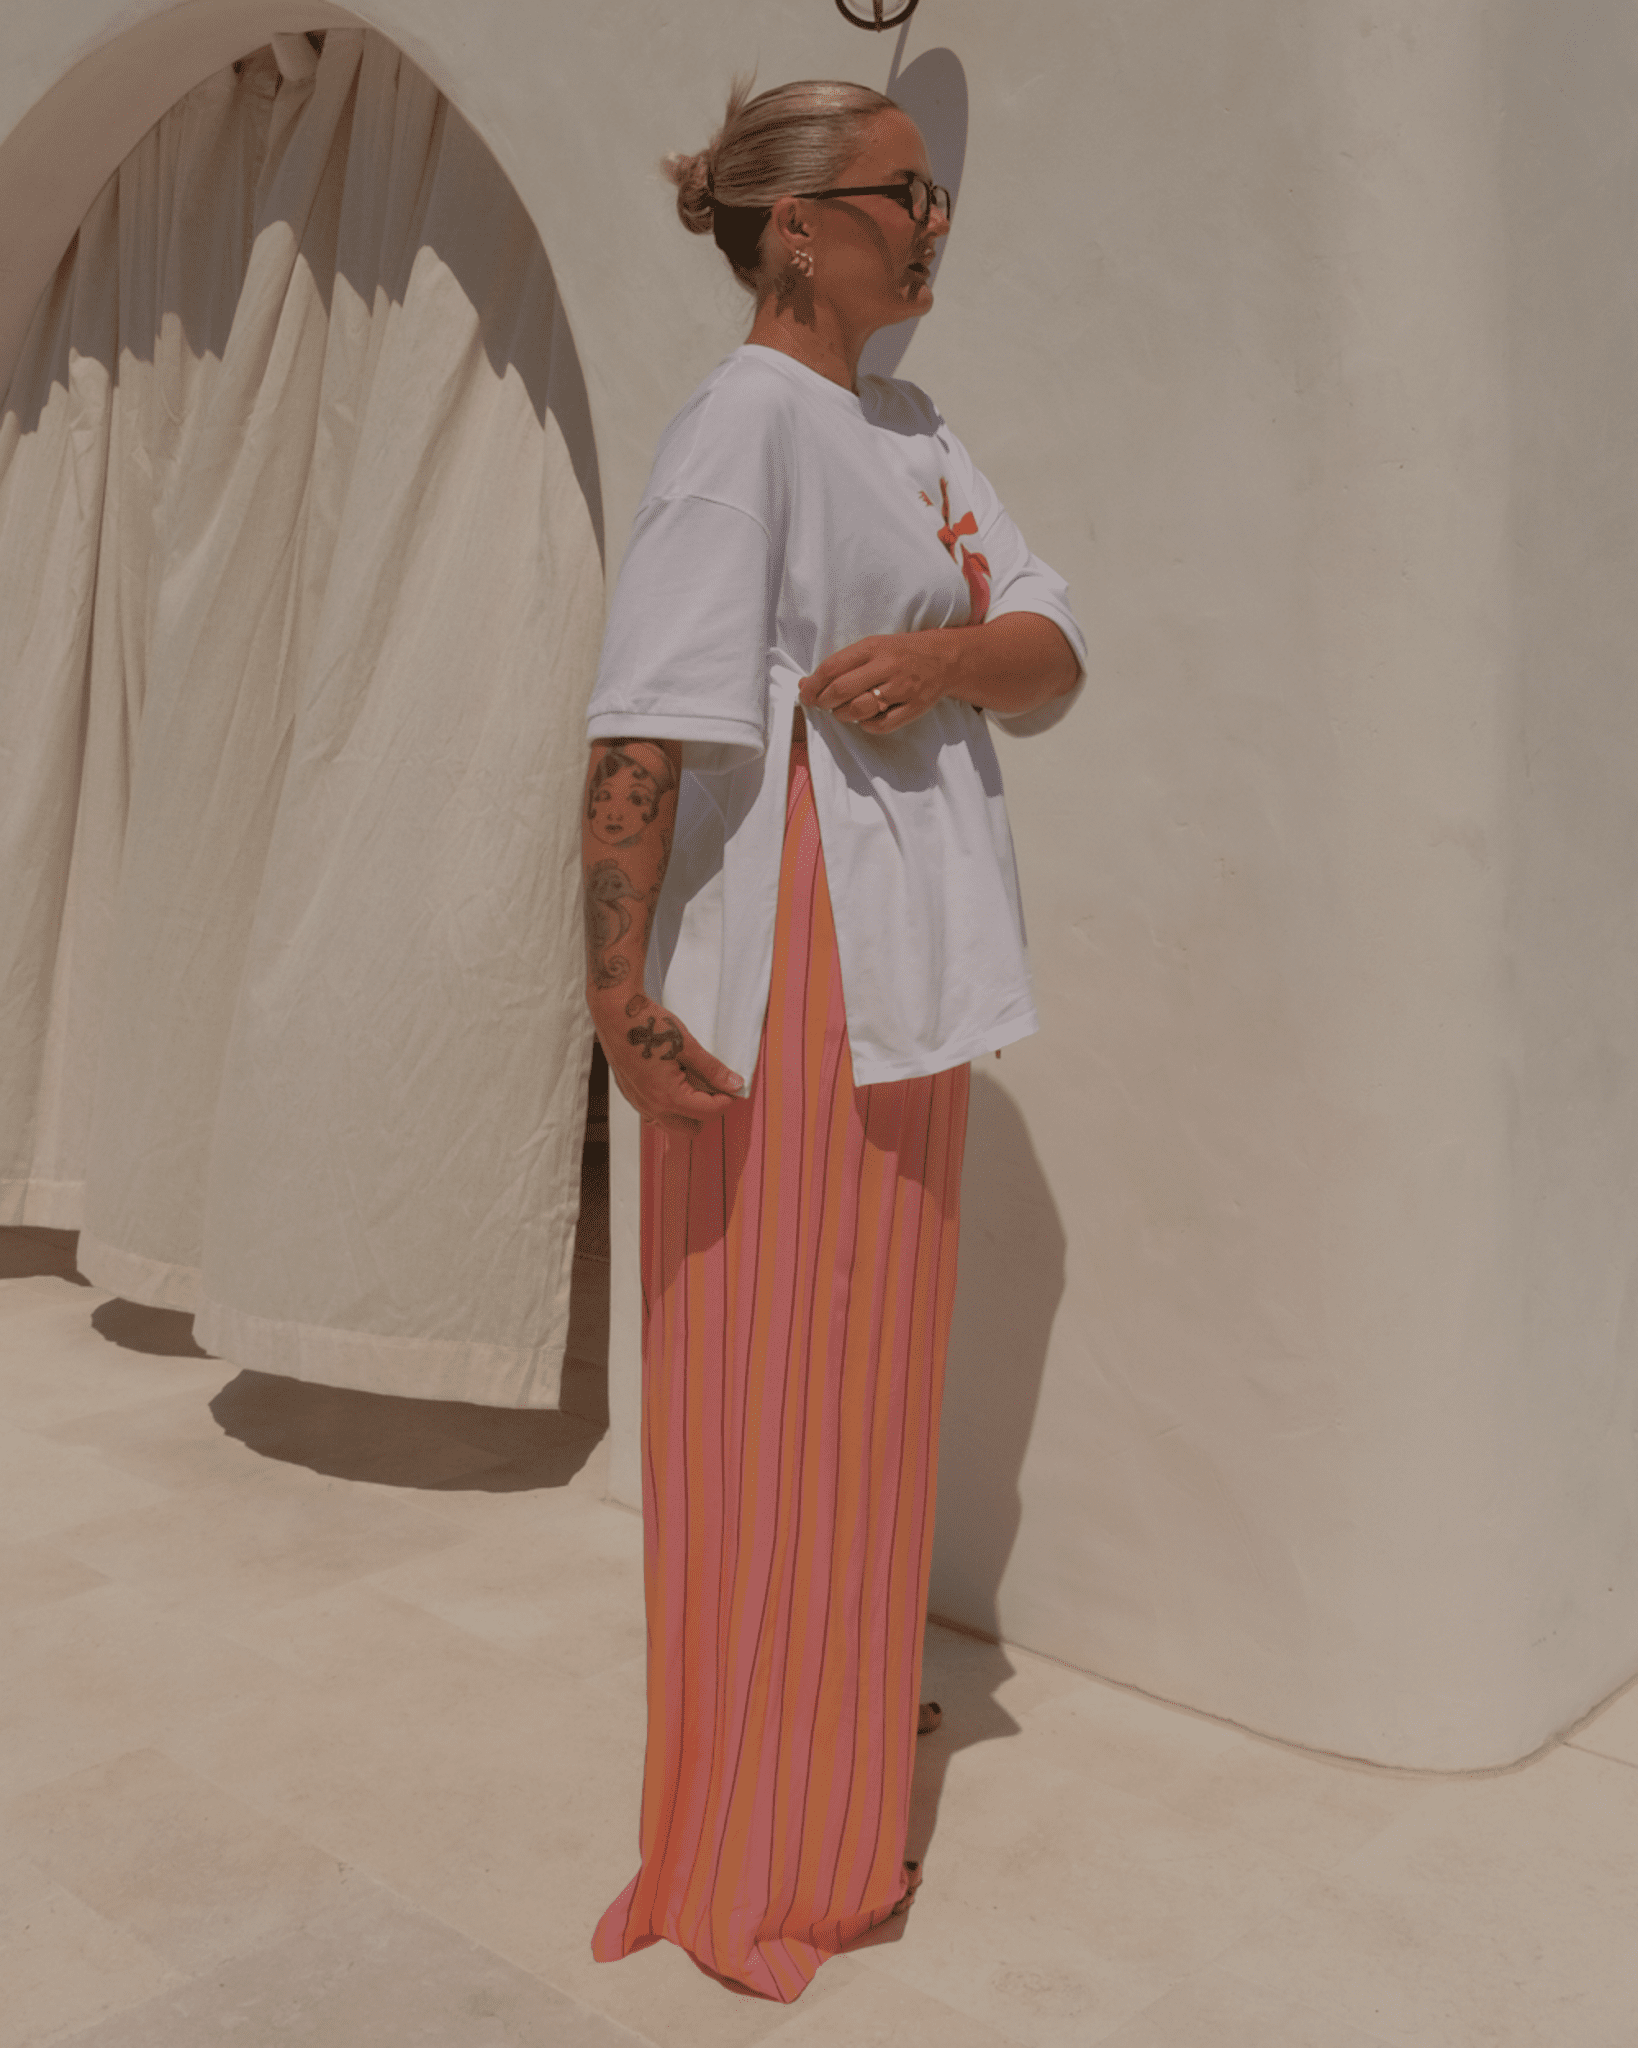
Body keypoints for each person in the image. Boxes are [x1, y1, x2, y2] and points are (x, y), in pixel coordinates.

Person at [583, 77, 1085, 2003]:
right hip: (795, 958)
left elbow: (1050, 648)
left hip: (917, 969)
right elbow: (645, 722)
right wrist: (615, 992)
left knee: (866, 1386)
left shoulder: (912, 428)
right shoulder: (743, 426)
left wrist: (941, 655)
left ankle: (838, 1740)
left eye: (936, 193)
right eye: (901, 194)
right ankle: (759, 1834)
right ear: (794, 227)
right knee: (763, 1388)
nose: (933, 223)